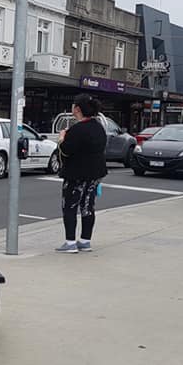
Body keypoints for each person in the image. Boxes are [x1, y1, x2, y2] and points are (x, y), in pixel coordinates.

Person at [54, 94, 107, 253]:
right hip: (95, 172)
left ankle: (70, 243)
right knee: (88, 206)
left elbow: (64, 152)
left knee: (70, 206)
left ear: (77, 109)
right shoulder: (99, 127)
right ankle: (85, 240)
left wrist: (62, 138)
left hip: (76, 173)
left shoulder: (77, 130)